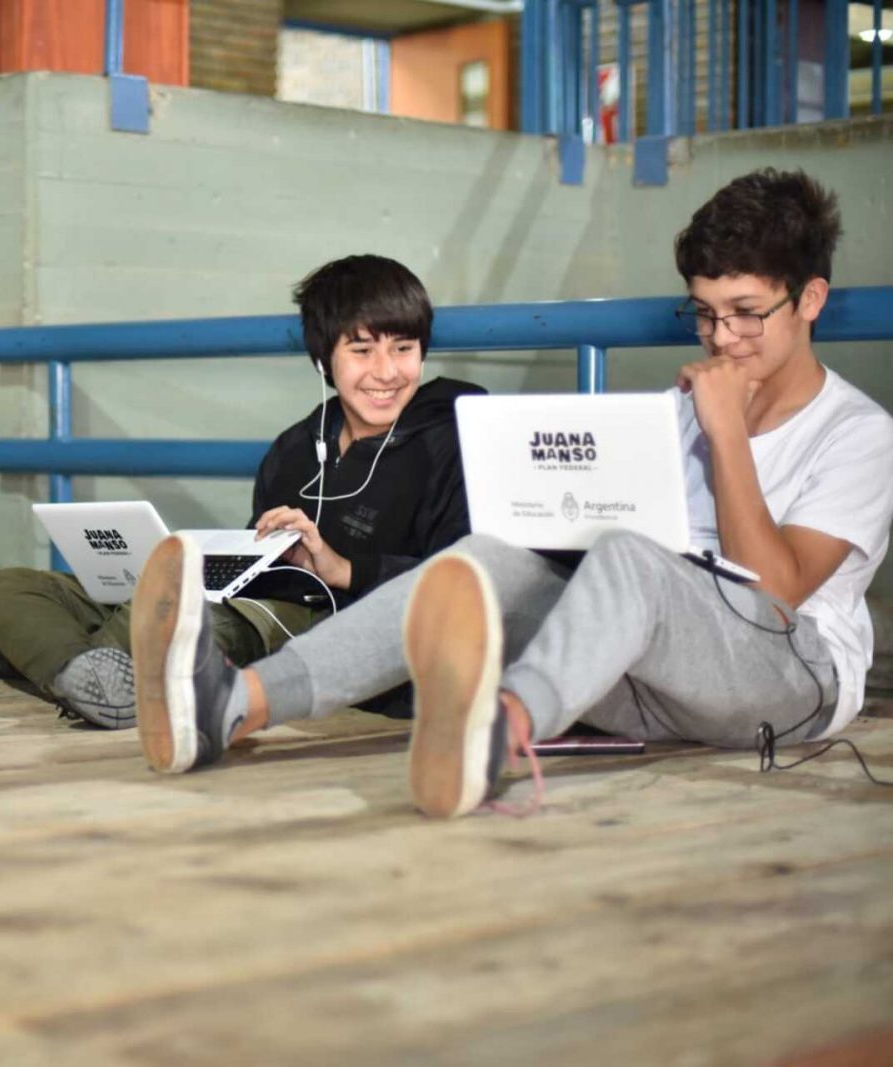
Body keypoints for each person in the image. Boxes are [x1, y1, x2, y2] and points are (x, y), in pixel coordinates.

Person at [130, 168, 893, 818]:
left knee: (631, 559)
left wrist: (726, 437)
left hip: (790, 683)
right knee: (485, 560)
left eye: (747, 314)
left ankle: (490, 736)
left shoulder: (858, 433)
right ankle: (231, 704)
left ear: (811, 298)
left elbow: (778, 593)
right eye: (705, 314)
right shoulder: (677, 411)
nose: (723, 338)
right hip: (648, 680)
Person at [0, 255, 485, 728]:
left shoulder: (454, 438)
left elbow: (466, 578)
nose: (386, 372)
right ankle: (81, 667)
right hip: (247, 595)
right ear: (324, 359)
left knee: (183, 620)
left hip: (316, 619)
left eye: (403, 349)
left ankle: (47, 658)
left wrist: (341, 568)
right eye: (362, 350)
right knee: (11, 586)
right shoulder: (296, 446)